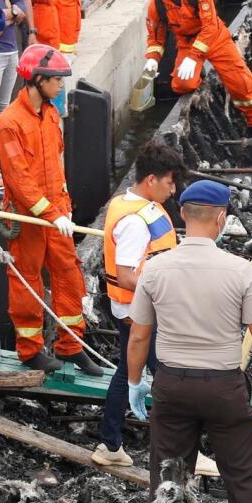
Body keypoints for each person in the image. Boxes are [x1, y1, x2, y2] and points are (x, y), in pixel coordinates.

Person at [124, 179, 252, 503]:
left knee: (165, 476)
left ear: (182, 214)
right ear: (221, 218)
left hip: (173, 385)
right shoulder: (239, 271)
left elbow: (140, 335)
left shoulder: (156, 268)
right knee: (241, 479)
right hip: (223, 388)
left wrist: (135, 382)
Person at [0, 43, 97, 372]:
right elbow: (20, 180)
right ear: (37, 79)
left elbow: (55, 165)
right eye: (56, 79)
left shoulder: (51, 113)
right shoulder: (10, 122)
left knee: (69, 275)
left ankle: (70, 345)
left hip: (55, 215)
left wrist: (63, 208)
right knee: (27, 281)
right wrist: (51, 213)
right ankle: (30, 349)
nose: (61, 84)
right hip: (27, 218)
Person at [92, 140, 182, 467]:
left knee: (130, 371)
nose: (173, 189)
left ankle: (110, 444)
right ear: (151, 181)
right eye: (170, 181)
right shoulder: (133, 222)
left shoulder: (136, 204)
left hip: (138, 310)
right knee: (167, 376)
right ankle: (180, 451)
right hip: (139, 311)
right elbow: (129, 276)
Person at [141, 0, 252, 139]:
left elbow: (209, 26)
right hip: (187, 42)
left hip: (215, 38)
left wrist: (193, 57)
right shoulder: (157, 6)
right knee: (181, 84)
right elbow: (155, 37)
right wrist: (152, 59)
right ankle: (198, 76)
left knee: (241, 81)